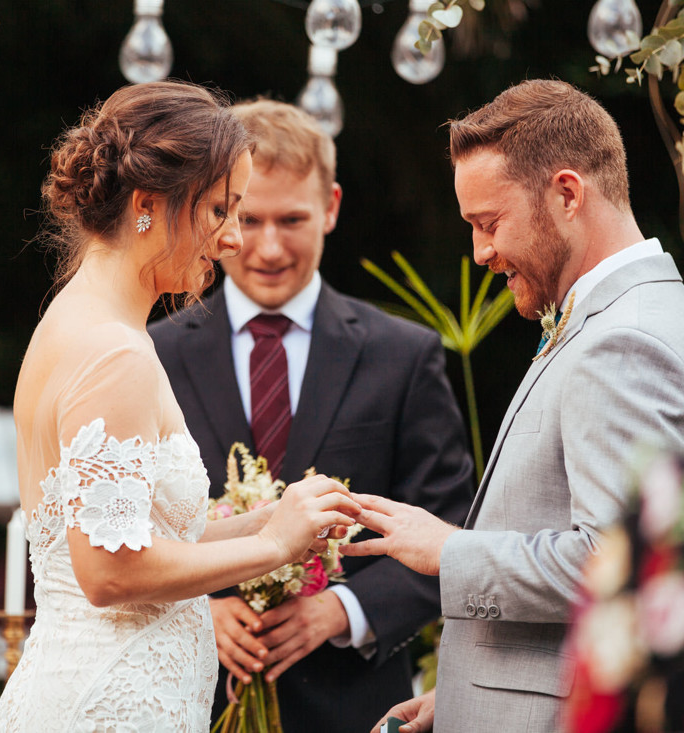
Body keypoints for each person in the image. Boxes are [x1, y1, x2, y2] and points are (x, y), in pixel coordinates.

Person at [341, 79, 684, 733]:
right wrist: (464, 698)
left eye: (489, 223)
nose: (480, 253)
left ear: (568, 193)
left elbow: (620, 564)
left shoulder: (627, 341)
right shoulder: (620, 317)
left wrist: (450, 550)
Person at [0, 81, 361, 732]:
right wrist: (274, 543)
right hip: (110, 705)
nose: (235, 239)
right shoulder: (114, 353)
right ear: (147, 205)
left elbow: (135, 534)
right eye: (221, 210)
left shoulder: (82, 322)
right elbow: (107, 570)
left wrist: (273, 519)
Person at [149, 98, 474, 731]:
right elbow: (123, 532)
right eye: (249, 218)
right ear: (220, 216)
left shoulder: (403, 355)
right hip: (190, 698)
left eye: (292, 219)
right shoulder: (153, 353)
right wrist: (198, 612)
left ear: (330, 207)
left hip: (354, 704)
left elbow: (453, 527)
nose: (269, 247)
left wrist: (343, 610)